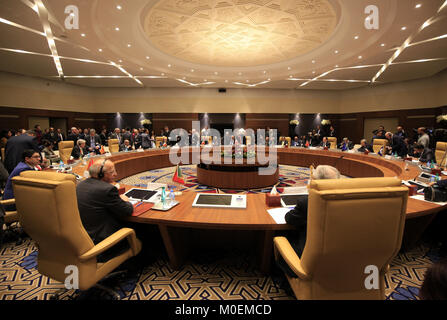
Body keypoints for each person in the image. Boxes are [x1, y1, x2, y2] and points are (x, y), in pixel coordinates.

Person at [278, 165, 341, 277]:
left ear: (315, 182)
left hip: (310, 261)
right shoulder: (351, 201)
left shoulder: (307, 202)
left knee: (281, 236)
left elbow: (289, 219)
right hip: (341, 258)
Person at [76, 159, 134, 262]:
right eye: (112, 172)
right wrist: (124, 199)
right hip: (103, 241)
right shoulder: (107, 190)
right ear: (101, 175)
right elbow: (127, 211)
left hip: (84, 238)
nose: (116, 174)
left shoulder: (80, 185)